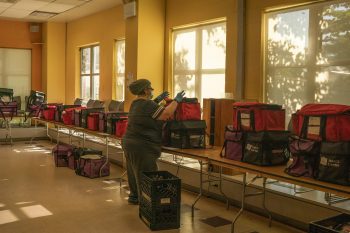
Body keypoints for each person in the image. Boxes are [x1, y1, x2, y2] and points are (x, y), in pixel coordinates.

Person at [121, 78, 185, 204]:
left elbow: (149, 112)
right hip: (143, 146)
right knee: (146, 174)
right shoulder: (147, 105)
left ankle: (134, 197)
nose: (152, 90)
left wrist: (158, 100)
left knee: (133, 172)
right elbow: (166, 114)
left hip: (129, 143)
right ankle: (147, 203)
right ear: (145, 90)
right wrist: (176, 101)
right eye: (150, 88)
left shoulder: (136, 103)